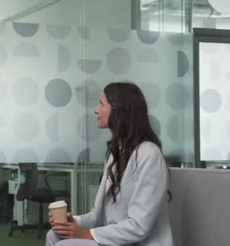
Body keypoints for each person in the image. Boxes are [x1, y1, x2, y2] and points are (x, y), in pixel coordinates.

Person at [46, 82, 174, 246]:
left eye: (101, 104)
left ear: (118, 110)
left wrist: (86, 234)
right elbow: (98, 216)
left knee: (65, 245)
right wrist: (74, 222)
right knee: (54, 236)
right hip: (117, 240)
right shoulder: (116, 154)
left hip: (141, 242)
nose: (96, 110)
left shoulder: (148, 154)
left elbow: (139, 227)